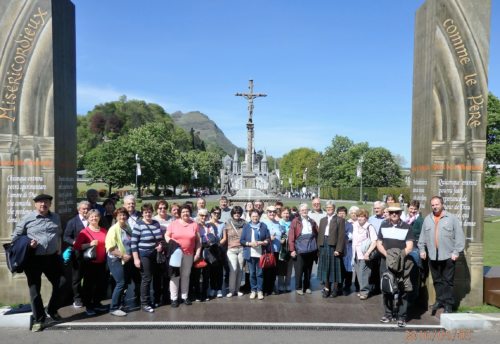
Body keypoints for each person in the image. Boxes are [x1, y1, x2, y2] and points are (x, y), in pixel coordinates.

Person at [12, 194, 65, 332]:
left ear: (50, 204)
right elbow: (15, 237)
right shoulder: (28, 218)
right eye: (40, 202)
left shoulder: (56, 217)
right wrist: (28, 244)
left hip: (52, 258)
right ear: (35, 205)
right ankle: (38, 319)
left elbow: (58, 233)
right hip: (33, 259)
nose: (43, 204)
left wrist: (58, 248)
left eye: (46, 202)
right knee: (35, 290)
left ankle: (52, 309)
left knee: (62, 283)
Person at [418, 196, 465, 314]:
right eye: (433, 205)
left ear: (442, 204)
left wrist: (456, 252)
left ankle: (448, 304)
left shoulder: (451, 218)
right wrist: (422, 250)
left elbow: (460, 237)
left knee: (447, 281)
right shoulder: (428, 219)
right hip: (433, 256)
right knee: (437, 280)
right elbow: (422, 237)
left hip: (448, 256)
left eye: (437, 204)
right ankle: (440, 300)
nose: (434, 207)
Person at [376, 205, 414, 327]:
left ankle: (401, 317)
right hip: (385, 260)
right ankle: (388, 314)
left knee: (403, 289)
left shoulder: (407, 227)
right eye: (392, 212)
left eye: (396, 212)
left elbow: (409, 246)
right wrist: (388, 255)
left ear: (400, 213)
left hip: (401, 262)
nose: (394, 214)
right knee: (387, 288)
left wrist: (399, 257)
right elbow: (379, 243)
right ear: (388, 213)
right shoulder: (383, 225)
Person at [165, 205, 202, 307]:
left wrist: (198, 253)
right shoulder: (173, 224)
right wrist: (171, 242)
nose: (185, 213)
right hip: (175, 254)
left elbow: (198, 241)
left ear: (190, 213)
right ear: (180, 214)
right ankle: (174, 298)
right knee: (175, 276)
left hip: (188, 254)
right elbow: (167, 235)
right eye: (183, 212)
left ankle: (184, 296)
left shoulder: (194, 225)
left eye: (187, 211)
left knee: (186, 276)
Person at [74, 209, 108, 317]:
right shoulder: (84, 232)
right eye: (91, 217)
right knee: (89, 285)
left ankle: (97, 303)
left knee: (100, 284)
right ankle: (88, 306)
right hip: (90, 263)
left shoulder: (104, 231)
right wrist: (89, 244)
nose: (94, 218)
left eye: (96, 216)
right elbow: (76, 246)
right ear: (88, 219)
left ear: (99, 218)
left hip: (102, 262)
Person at [131, 203, 164, 313]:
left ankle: (155, 299)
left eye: (149, 212)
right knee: (147, 278)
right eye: (145, 212)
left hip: (155, 254)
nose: (148, 214)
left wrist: (160, 245)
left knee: (157, 277)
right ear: (142, 213)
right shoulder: (139, 225)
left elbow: (160, 238)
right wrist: (136, 259)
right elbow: (133, 243)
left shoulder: (156, 223)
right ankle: (144, 303)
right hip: (144, 254)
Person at [105, 207, 134, 316]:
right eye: (120, 215)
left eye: (124, 215)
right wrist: (123, 255)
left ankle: (119, 304)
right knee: (120, 283)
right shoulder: (113, 229)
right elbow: (110, 248)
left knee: (125, 282)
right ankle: (113, 308)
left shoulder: (127, 227)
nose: (122, 217)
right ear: (116, 217)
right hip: (116, 259)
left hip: (126, 259)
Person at [63, 200, 90, 309]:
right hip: (77, 254)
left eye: (87, 208)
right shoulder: (72, 222)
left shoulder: (94, 219)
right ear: (78, 210)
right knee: (77, 278)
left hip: (91, 254)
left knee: (89, 277)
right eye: (83, 209)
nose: (86, 210)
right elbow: (66, 237)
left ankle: (88, 297)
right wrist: (75, 243)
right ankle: (77, 299)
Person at [317, 201, 345, 298]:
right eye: (327, 207)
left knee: (335, 269)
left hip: (334, 246)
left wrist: (338, 249)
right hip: (323, 245)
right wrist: (319, 248)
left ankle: (335, 289)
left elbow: (341, 236)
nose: (329, 209)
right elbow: (320, 234)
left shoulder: (340, 220)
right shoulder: (322, 220)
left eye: (331, 207)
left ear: (334, 208)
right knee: (325, 268)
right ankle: (327, 288)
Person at [240, 210, 271, 300]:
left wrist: (264, 242)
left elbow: (268, 238)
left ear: (259, 216)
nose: (255, 218)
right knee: (252, 273)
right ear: (250, 217)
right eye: (253, 216)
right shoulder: (246, 226)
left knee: (260, 273)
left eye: (256, 216)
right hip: (250, 254)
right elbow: (242, 240)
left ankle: (259, 290)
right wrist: (249, 244)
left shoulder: (263, 226)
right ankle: (253, 290)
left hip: (260, 254)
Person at [289, 203, 318, 295]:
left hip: (310, 249)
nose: (304, 211)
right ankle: (298, 287)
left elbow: (316, 234)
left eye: (306, 210)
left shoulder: (312, 221)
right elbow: (291, 236)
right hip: (299, 249)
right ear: (299, 211)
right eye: (302, 210)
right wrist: (292, 249)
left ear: (308, 210)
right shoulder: (295, 221)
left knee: (308, 269)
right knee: (299, 269)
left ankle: (307, 286)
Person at [352, 208, 378, 300]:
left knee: (364, 273)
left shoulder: (369, 227)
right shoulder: (354, 225)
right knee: (358, 273)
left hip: (365, 254)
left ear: (366, 218)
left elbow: (374, 241)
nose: (359, 218)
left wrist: (367, 253)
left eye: (362, 216)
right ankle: (361, 290)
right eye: (358, 216)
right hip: (355, 253)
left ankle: (365, 291)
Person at [222, 206, 246, 297]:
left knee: (240, 270)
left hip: (241, 249)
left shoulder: (244, 223)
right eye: (235, 212)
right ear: (232, 213)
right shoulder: (227, 223)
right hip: (231, 249)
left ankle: (237, 289)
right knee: (233, 269)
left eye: (239, 212)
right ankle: (231, 290)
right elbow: (224, 238)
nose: (237, 214)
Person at [190, 209, 213, 301]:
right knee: (196, 274)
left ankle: (204, 293)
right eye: (201, 215)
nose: (203, 217)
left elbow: (213, 238)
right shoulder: (194, 225)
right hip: (196, 251)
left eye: (205, 215)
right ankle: (196, 294)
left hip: (207, 252)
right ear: (198, 215)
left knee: (206, 274)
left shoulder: (209, 226)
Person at [262, 205, 283, 295]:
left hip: (276, 250)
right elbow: (260, 236)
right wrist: (269, 238)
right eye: (270, 212)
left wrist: (283, 238)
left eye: (274, 212)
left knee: (274, 270)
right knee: (266, 270)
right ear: (267, 213)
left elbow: (283, 233)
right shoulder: (263, 223)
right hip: (267, 250)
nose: (272, 213)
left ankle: (272, 286)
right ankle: (266, 288)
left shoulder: (278, 223)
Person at [337, 206, 354, 295]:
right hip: (337, 249)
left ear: (346, 214)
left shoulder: (349, 225)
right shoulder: (335, 223)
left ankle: (347, 286)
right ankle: (339, 286)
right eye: (339, 213)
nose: (341, 215)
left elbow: (350, 237)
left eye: (343, 213)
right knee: (339, 268)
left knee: (348, 268)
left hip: (347, 249)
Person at [279, 207, 293, 292]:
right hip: (282, 248)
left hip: (290, 248)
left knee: (289, 268)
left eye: (287, 213)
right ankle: (280, 284)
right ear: (281, 214)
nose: (286, 215)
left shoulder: (292, 223)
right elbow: (281, 233)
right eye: (284, 213)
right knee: (281, 267)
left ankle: (287, 284)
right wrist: (285, 236)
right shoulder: (279, 223)